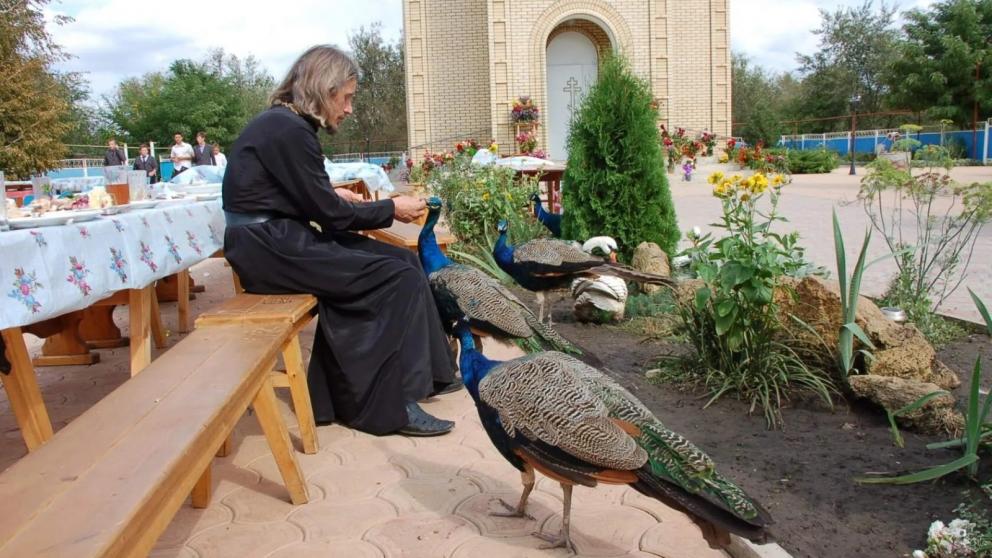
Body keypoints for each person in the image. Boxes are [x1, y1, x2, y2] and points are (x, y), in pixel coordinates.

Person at [222, 45, 458, 437]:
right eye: (346, 98)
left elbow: (296, 193)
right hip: (268, 247)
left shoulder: (285, 125)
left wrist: (331, 193)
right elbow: (329, 216)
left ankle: (430, 375)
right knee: (391, 276)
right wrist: (390, 207)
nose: (348, 109)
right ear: (323, 89)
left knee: (402, 261)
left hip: (273, 239)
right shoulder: (289, 130)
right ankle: (387, 406)